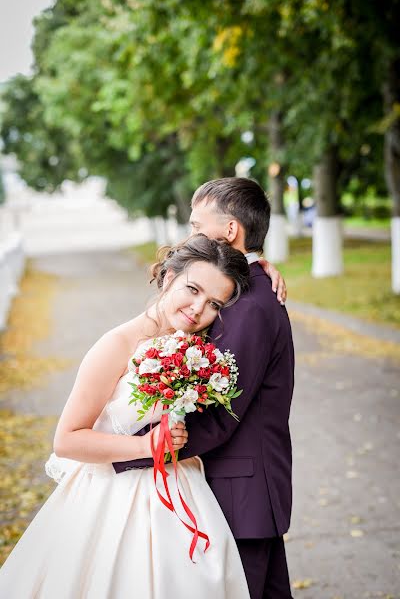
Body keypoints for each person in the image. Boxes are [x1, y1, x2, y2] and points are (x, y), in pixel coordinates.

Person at [0, 235, 253, 599]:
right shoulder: (116, 345)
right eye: (192, 289)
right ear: (168, 278)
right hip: (111, 498)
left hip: (181, 484)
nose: (198, 309)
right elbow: (67, 439)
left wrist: (264, 268)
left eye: (214, 303)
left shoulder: (197, 347)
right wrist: (144, 445)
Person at [115, 177, 295, 599]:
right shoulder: (244, 292)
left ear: (230, 231)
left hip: (240, 491)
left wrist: (135, 450)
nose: (189, 234)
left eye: (197, 225)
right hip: (241, 488)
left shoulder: (248, 308)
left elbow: (222, 410)